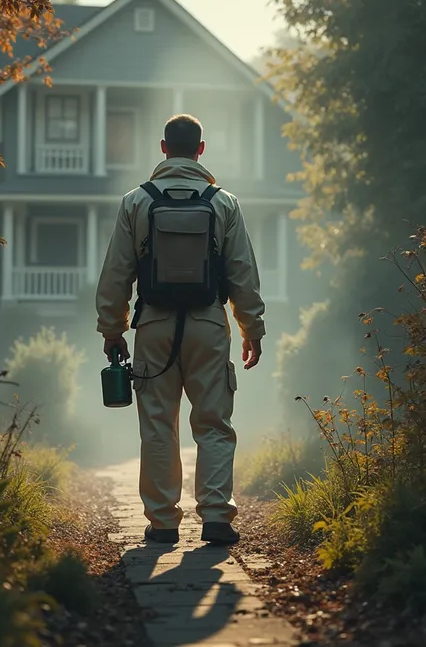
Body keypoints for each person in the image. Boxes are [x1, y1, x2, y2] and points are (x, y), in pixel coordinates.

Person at [96, 114, 265, 545]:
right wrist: (252, 328)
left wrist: (112, 329)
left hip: (153, 324)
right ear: (201, 150)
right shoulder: (223, 202)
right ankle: (216, 517)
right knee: (213, 423)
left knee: (158, 424)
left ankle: (163, 523)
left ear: (163, 148)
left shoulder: (137, 201)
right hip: (209, 325)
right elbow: (242, 272)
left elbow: (117, 273)